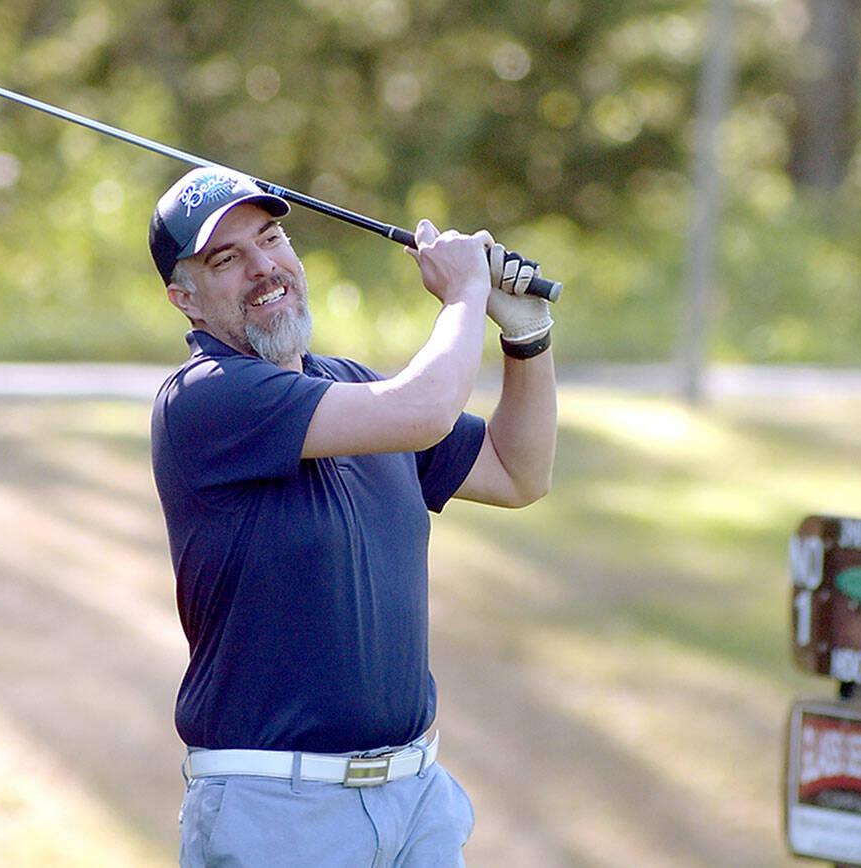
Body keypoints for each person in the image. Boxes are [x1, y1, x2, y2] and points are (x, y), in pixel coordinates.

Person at [148, 166, 557, 867]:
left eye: (272, 238)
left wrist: (526, 337)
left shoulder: (357, 389)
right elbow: (425, 409)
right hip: (279, 815)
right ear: (184, 298)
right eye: (227, 258)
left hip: (415, 799)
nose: (263, 267)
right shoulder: (204, 399)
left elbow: (518, 472)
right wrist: (463, 293)